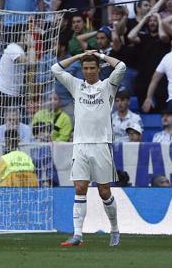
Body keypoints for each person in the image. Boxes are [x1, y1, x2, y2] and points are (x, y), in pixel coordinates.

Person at [51, 50, 126, 247]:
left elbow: (121, 66)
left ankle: (115, 230)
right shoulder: (76, 85)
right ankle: (77, 235)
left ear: (98, 68)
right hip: (80, 145)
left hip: (101, 144)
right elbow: (55, 69)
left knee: (104, 192)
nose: (89, 71)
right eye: (85, 68)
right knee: (80, 187)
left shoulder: (107, 86)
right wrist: (78, 56)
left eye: (92, 68)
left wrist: (100, 55)